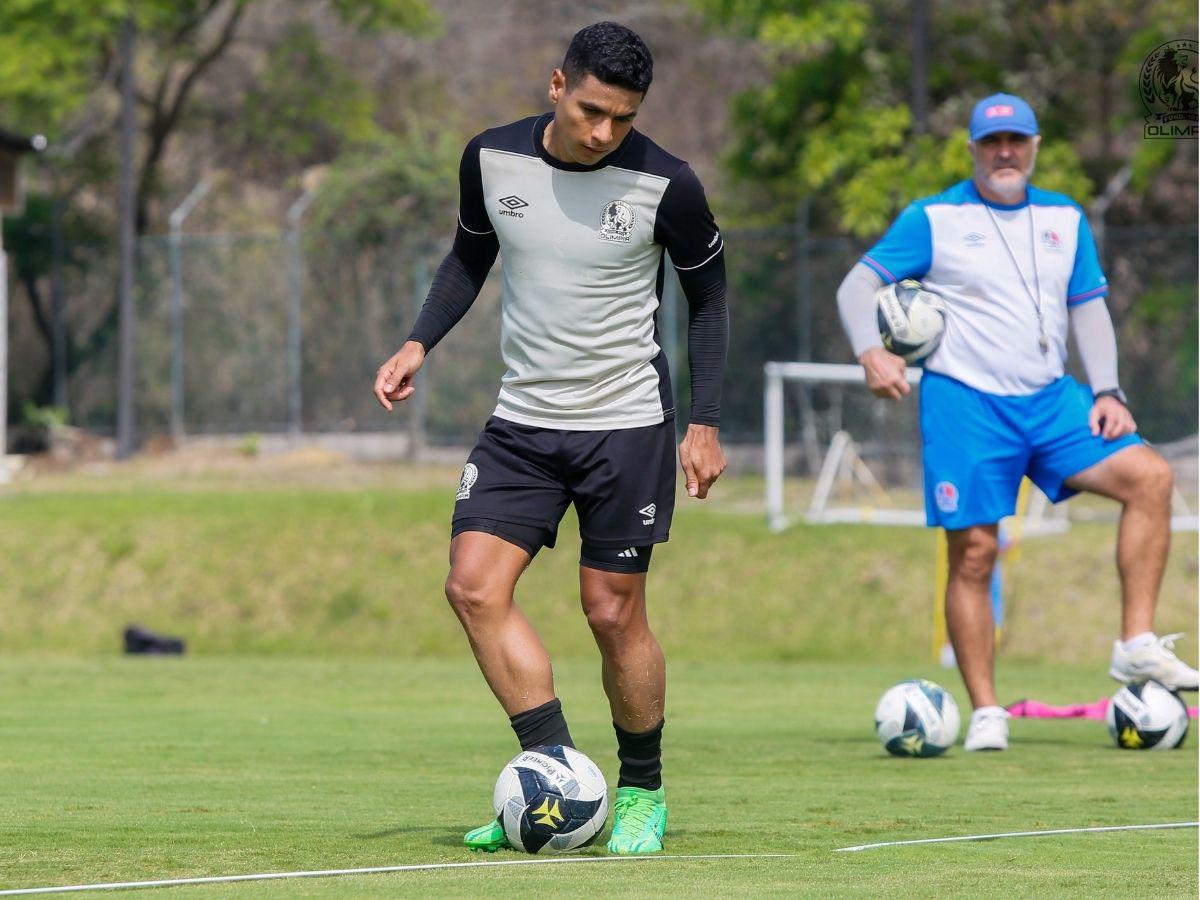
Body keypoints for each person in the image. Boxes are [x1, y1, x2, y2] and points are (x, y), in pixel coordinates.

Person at [373, 22, 728, 850]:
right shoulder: (491, 159)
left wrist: (705, 423)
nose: (604, 132)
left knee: (610, 612)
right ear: (557, 85)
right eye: (592, 111)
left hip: (625, 425)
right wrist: (419, 341)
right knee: (472, 589)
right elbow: (469, 256)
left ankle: (641, 791)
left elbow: (710, 300)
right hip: (523, 423)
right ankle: (558, 779)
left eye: (623, 118)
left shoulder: (667, 184)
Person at [836, 93, 1198, 752]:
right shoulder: (934, 218)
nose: (1005, 152)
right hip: (966, 403)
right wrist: (870, 350)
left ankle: (1136, 643)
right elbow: (855, 286)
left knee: (1150, 477)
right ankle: (987, 711)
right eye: (992, 142)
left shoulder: (1064, 216)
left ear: (1034, 147)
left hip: (1052, 401)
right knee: (973, 554)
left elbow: (1087, 306)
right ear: (973, 149)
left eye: (1016, 141)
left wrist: (1109, 389)